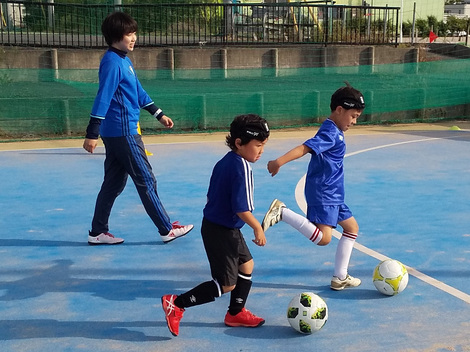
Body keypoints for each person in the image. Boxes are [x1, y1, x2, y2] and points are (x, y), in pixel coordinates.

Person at [83, 11, 193, 245]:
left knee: (113, 183)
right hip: (124, 132)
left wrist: (158, 114)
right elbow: (103, 97)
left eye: (134, 33)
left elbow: (137, 91)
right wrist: (92, 132)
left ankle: (97, 232)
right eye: (128, 34)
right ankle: (166, 229)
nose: (133, 38)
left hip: (116, 133)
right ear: (115, 36)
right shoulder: (113, 63)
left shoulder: (123, 59)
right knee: (146, 179)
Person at [161, 114, 270, 337]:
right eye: (258, 145)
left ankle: (235, 313)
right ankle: (177, 303)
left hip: (221, 226)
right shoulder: (241, 168)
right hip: (222, 231)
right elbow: (242, 208)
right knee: (226, 284)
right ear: (239, 143)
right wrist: (257, 228)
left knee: (246, 266)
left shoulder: (227, 160)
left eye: (263, 146)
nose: (261, 151)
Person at [262, 82, 365, 291]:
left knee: (351, 228)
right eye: (353, 116)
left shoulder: (334, 129)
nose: (354, 121)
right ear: (339, 110)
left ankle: (340, 277)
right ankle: (283, 212)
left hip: (334, 192)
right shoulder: (330, 133)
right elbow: (304, 148)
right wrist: (279, 161)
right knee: (324, 239)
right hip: (324, 191)